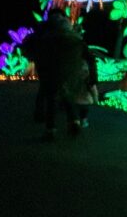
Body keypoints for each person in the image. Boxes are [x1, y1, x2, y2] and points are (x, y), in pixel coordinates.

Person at [21, 12, 85, 140]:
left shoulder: (46, 36)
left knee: (51, 97)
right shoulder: (74, 38)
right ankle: (75, 122)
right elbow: (84, 53)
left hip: (50, 70)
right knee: (67, 94)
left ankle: (50, 129)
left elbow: (31, 47)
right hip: (70, 70)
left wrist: (36, 58)